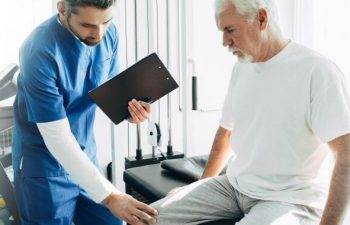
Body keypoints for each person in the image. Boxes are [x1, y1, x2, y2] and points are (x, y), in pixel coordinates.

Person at [150, 0, 350, 224]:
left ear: (261, 19)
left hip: (289, 199)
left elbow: (346, 154)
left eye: (230, 30)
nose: (224, 41)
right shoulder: (242, 66)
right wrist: (198, 187)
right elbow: (226, 131)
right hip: (234, 185)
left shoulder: (317, 71)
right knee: (145, 219)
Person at [12, 0, 158, 225]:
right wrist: (110, 196)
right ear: (62, 9)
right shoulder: (38, 50)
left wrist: (130, 111)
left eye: (106, 22)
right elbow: (57, 138)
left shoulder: (108, 34)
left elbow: (108, 89)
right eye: (88, 25)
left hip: (85, 155)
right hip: (44, 166)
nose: (98, 34)